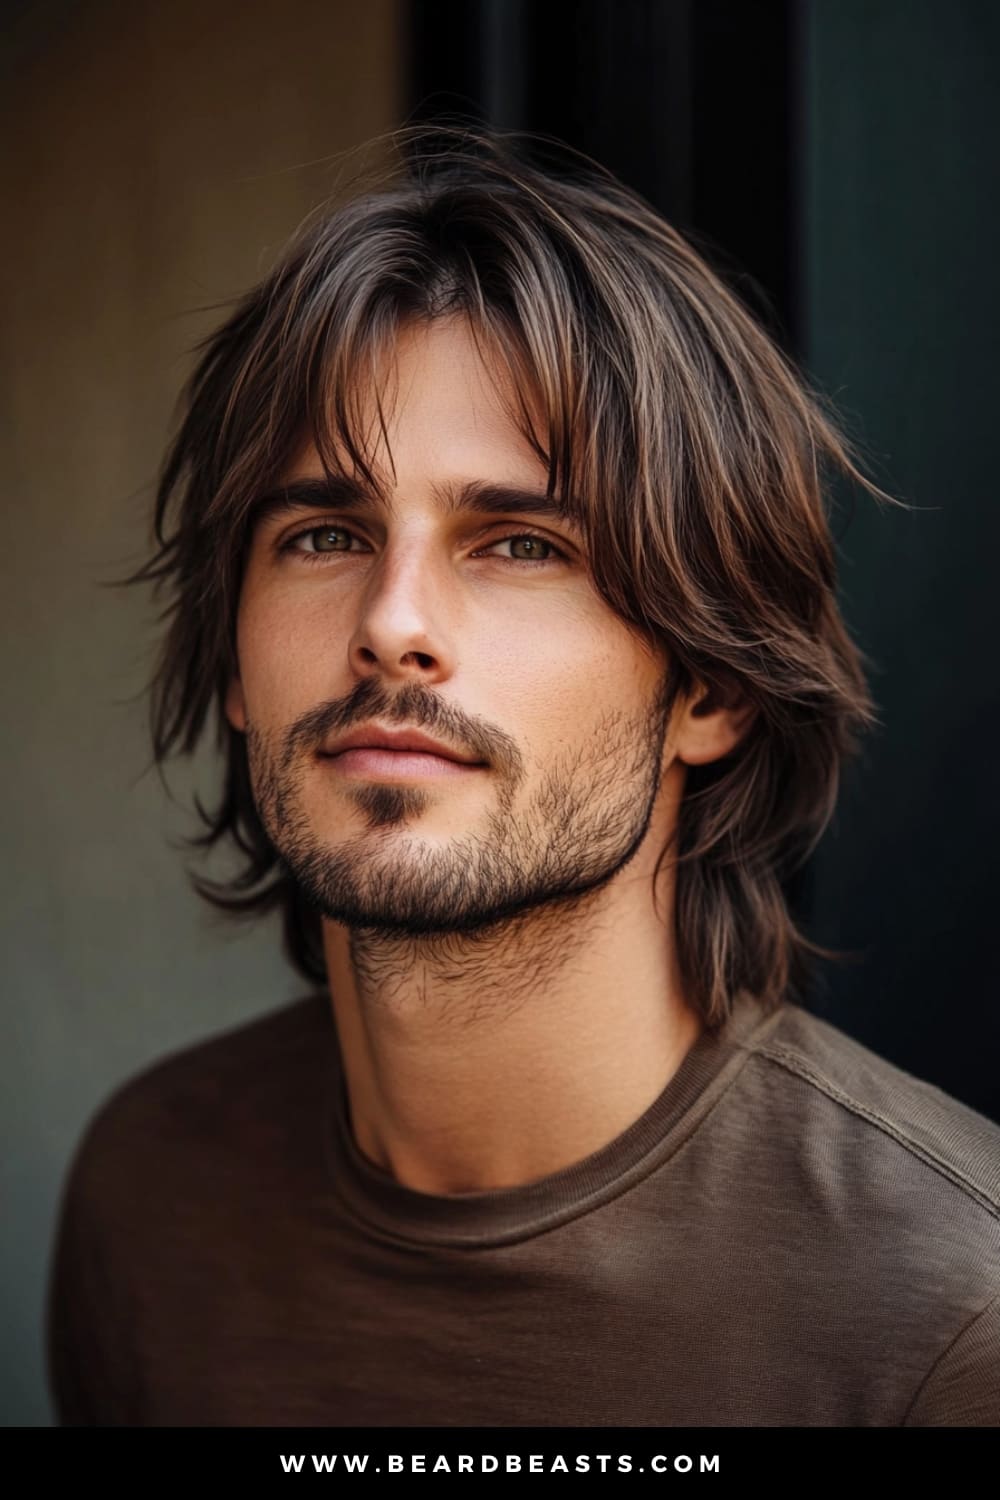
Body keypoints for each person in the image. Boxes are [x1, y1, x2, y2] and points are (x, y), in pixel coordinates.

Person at [47, 129, 999, 1428]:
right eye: (325, 533)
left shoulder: (951, 1308)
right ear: (232, 661)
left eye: (520, 544)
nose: (391, 621)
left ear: (709, 687)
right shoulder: (149, 1200)